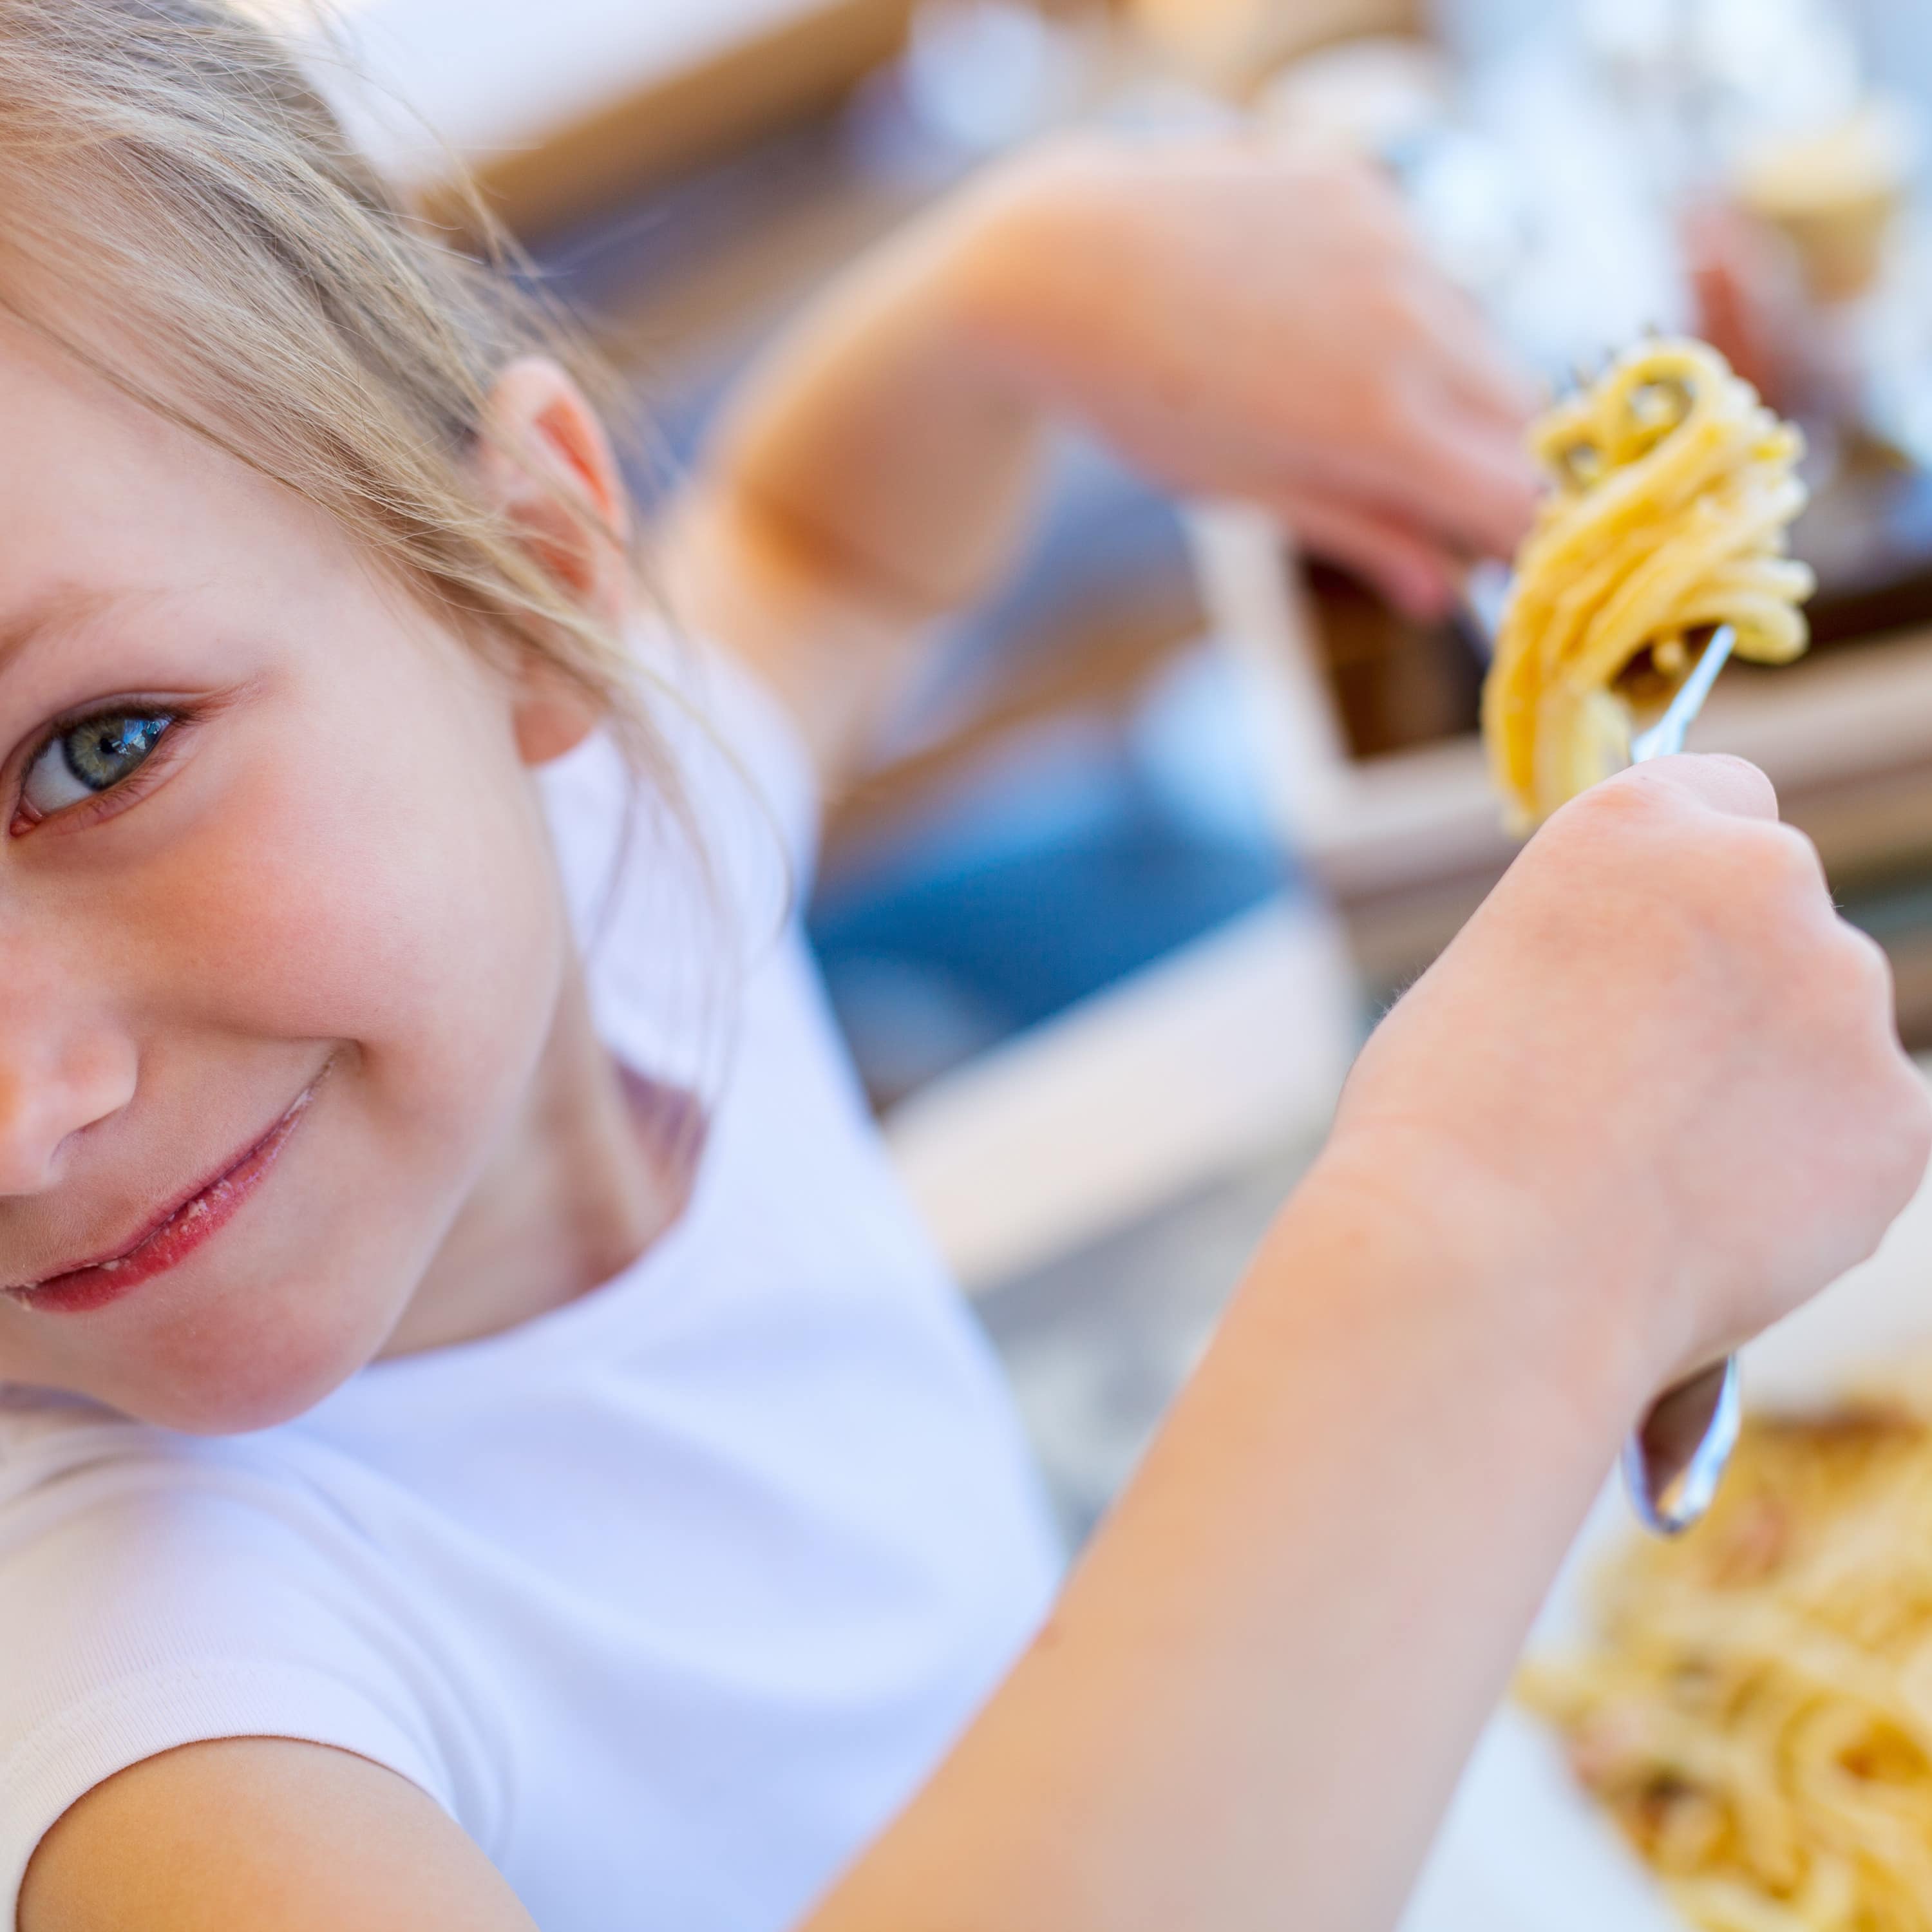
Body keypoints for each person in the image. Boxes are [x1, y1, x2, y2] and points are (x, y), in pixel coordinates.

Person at [1, 6, 1924, 1931]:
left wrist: (1013, 295)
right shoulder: (148, 1709)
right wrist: (1495, 1247)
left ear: (536, 589)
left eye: (94, 751)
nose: (25, 1117)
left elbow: (813, 553)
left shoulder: (615, 870)